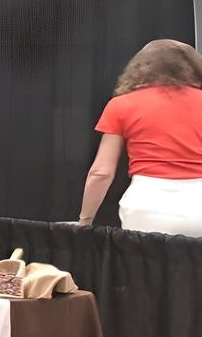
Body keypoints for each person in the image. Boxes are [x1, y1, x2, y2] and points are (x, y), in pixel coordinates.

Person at [79, 39, 202, 235]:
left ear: (142, 67)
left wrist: (86, 220)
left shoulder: (121, 105)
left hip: (146, 204)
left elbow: (101, 173)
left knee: (144, 265)